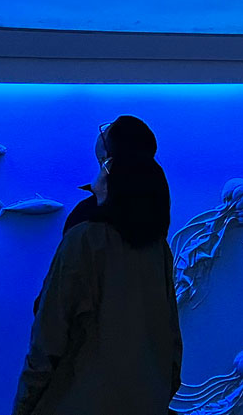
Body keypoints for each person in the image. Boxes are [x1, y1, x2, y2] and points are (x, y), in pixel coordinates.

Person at [12, 115, 183, 415]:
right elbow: (171, 341)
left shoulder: (85, 238)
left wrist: (25, 404)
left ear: (110, 168)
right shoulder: (159, 249)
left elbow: (49, 333)